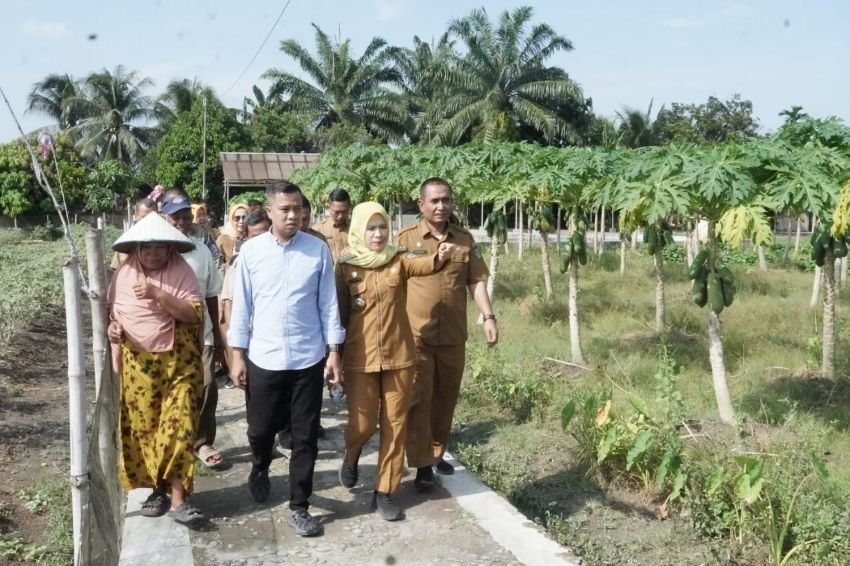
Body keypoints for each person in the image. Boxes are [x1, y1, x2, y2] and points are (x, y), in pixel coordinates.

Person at [228, 181, 345, 538]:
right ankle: (260, 466)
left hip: (308, 358)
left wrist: (334, 352)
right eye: (285, 209)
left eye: (298, 208)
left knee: (304, 436)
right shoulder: (251, 252)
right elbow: (242, 307)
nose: (293, 215)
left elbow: (328, 304)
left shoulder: (317, 250)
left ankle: (300, 506)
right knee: (260, 430)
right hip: (264, 357)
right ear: (270, 210)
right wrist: (237, 355)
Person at [336, 202, 453, 521]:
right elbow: (340, 314)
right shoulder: (345, 266)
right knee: (361, 425)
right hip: (360, 359)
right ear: (359, 230)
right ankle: (352, 452)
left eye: (382, 227)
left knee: (395, 425)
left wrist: (439, 258)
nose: (377, 234)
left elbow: (424, 265)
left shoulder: (398, 259)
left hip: (400, 357)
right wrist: (333, 354)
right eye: (371, 228)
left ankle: (385, 490)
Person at [398, 177, 499, 490]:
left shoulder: (465, 240)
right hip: (417, 335)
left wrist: (489, 315)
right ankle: (422, 465)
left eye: (446, 200)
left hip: (453, 335)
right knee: (419, 398)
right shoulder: (406, 239)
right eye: (434, 201)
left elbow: (476, 281)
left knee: (445, 398)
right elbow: (394, 282)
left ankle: (436, 451)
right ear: (421, 204)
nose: (441, 206)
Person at [106, 213, 206, 525]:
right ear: (135, 249)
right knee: (146, 432)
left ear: (169, 248)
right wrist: (113, 332)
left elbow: (194, 314)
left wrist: (159, 294)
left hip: (179, 365)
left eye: (159, 248)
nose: (153, 253)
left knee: (180, 427)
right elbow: (115, 315)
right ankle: (157, 491)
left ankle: (179, 499)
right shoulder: (122, 277)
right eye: (146, 248)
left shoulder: (182, 272)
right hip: (140, 369)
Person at [162, 194, 225, 470]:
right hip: (166, 335)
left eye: (186, 216)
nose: (182, 222)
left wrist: (220, 340)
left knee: (208, 386)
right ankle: (173, 443)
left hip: (203, 332)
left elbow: (211, 296)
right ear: (165, 217)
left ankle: (201, 442)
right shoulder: (156, 251)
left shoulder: (201, 251)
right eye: (176, 216)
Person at [220, 210, 272, 388]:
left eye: (265, 234)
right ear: (247, 238)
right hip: (251, 342)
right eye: (255, 236)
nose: (261, 241)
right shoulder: (238, 263)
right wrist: (237, 351)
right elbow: (230, 304)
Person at [110, 198, 156, 270]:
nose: (148, 221)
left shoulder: (165, 241)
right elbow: (116, 270)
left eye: (152, 217)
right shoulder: (126, 241)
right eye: (144, 217)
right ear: (136, 216)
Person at [311, 188, 351, 263]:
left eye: (344, 211)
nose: (340, 216)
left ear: (349, 207)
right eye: (337, 212)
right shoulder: (318, 230)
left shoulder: (356, 228)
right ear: (327, 208)